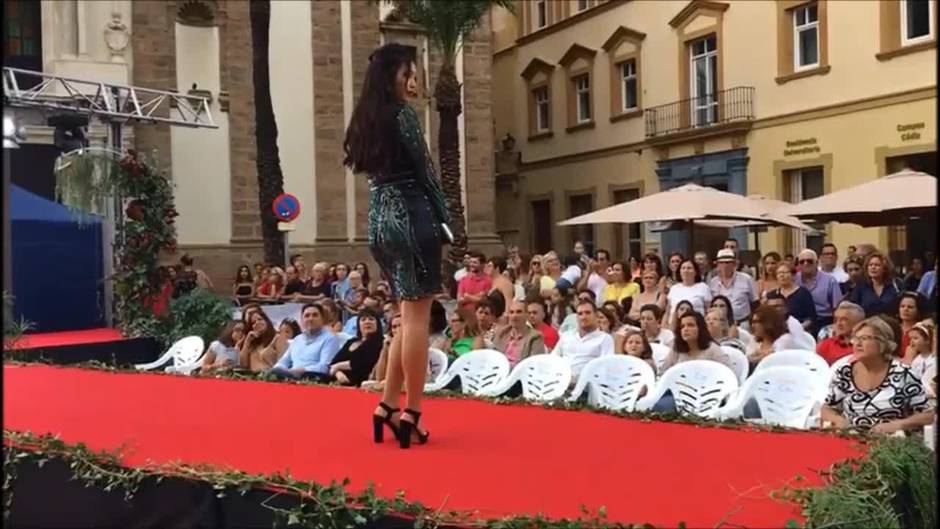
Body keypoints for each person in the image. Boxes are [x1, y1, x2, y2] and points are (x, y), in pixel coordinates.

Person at [345, 44, 450, 448]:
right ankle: (413, 412)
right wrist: (446, 221)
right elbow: (426, 172)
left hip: (380, 222)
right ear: (391, 75)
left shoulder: (365, 121)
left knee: (406, 318)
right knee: (418, 318)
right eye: (408, 72)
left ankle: (387, 405)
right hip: (412, 217)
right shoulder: (403, 116)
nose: (414, 81)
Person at [822, 317, 934, 433]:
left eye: (865, 338)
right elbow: (828, 407)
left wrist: (899, 425)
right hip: (850, 438)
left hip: (891, 443)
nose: (858, 343)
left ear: (882, 344)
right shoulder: (844, 372)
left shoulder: (904, 373)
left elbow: (928, 415)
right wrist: (837, 419)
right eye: (856, 339)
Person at [270, 303, 342, 381]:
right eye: (307, 316)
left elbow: (325, 367)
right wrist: (277, 369)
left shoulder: (329, 339)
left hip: (313, 379)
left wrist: (303, 370)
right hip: (291, 377)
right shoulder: (298, 339)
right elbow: (284, 361)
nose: (310, 319)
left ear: (322, 319)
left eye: (315, 315)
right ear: (301, 320)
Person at [551, 300, 615, 383]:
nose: (583, 317)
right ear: (576, 317)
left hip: (587, 385)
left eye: (587, 313)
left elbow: (605, 367)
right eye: (580, 314)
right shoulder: (566, 336)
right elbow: (553, 358)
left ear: (596, 316)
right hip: (560, 381)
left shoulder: (605, 339)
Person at [329, 308, 384, 387]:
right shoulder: (351, 341)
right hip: (338, 380)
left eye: (371, 319)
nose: (367, 322)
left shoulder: (380, 342)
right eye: (363, 320)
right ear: (358, 325)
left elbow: (363, 363)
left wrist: (337, 366)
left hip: (360, 382)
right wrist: (338, 373)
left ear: (378, 324)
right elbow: (333, 363)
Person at [794, 248, 843, 333]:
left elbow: (838, 307)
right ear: (798, 265)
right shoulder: (794, 280)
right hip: (799, 321)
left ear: (816, 263)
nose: (806, 263)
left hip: (823, 321)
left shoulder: (830, 280)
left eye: (809, 261)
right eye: (802, 262)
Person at [708, 249, 758, 329]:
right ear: (717, 265)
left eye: (727, 262)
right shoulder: (713, 282)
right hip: (721, 325)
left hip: (743, 324)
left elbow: (755, 303)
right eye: (721, 263)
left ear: (734, 264)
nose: (724, 266)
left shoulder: (746, 279)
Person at [492, 300, 546, 367]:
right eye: (511, 312)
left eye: (519, 312)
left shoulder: (535, 337)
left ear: (527, 315)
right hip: (499, 370)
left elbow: (534, 364)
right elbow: (492, 356)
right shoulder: (502, 333)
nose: (514, 316)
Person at [847, 251, 900, 317]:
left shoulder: (894, 285)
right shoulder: (861, 286)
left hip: (889, 324)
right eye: (870, 265)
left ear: (884, 268)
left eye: (877, 265)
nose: (873, 267)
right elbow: (853, 308)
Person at [772, 261, 817, 333]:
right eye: (779, 273)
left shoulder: (803, 293)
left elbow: (811, 318)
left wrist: (797, 329)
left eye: (785, 272)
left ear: (793, 275)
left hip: (800, 331)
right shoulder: (772, 295)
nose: (782, 275)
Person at [665, 259, 711, 328]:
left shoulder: (703, 287)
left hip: (696, 326)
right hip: (674, 326)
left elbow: (708, 310)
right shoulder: (674, 288)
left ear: (695, 272)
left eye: (689, 268)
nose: (685, 270)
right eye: (683, 268)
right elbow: (668, 311)